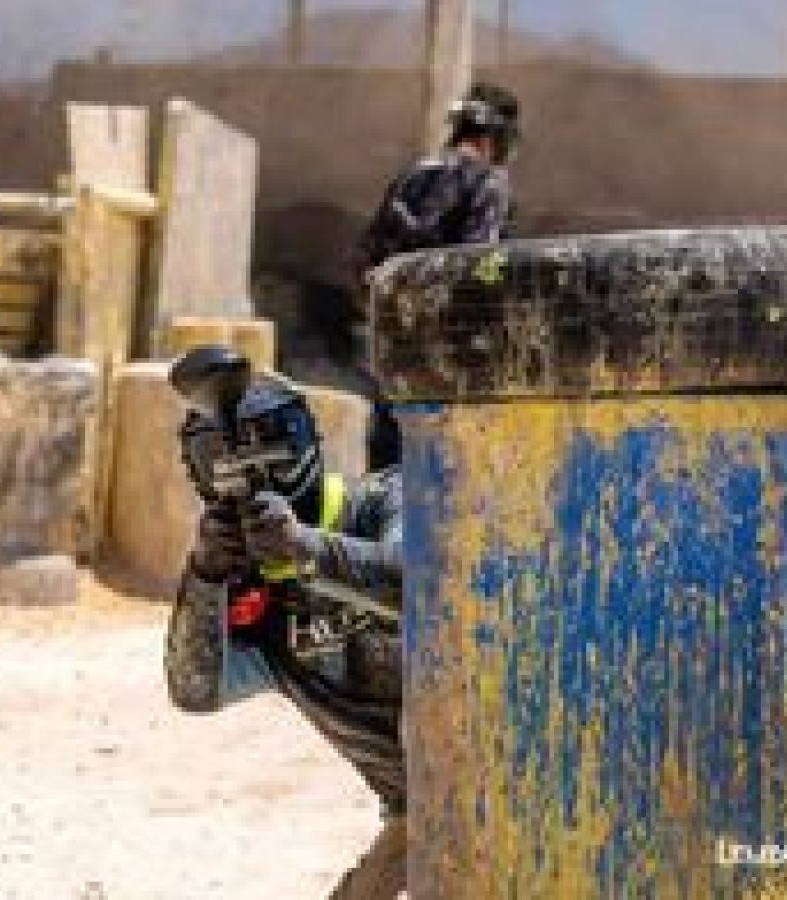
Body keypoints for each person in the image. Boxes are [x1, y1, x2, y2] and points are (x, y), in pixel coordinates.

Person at [164, 351, 405, 899]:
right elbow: (195, 690)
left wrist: (311, 552)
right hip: (419, 809)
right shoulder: (252, 599)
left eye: (268, 444)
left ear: (307, 442)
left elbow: (431, 593)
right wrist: (204, 574)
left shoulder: (383, 501)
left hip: (503, 763)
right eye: (217, 457)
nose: (250, 473)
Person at [354, 81, 521, 469]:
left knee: (390, 460)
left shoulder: (412, 176)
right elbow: (479, 266)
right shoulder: (488, 183)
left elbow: (366, 261)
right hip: (449, 351)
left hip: (391, 338)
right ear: (493, 138)